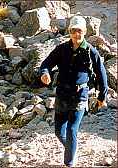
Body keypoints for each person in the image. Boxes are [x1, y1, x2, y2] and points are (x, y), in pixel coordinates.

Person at [39, 15, 108, 167]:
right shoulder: (61, 49)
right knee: (59, 132)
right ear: (69, 31)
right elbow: (46, 64)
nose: (76, 34)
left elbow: (102, 76)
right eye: (73, 31)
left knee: (71, 130)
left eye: (80, 31)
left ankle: (69, 162)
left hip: (80, 97)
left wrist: (102, 97)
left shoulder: (91, 52)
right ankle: (72, 148)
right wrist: (45, 73)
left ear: (84, 32)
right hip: (62, 95)